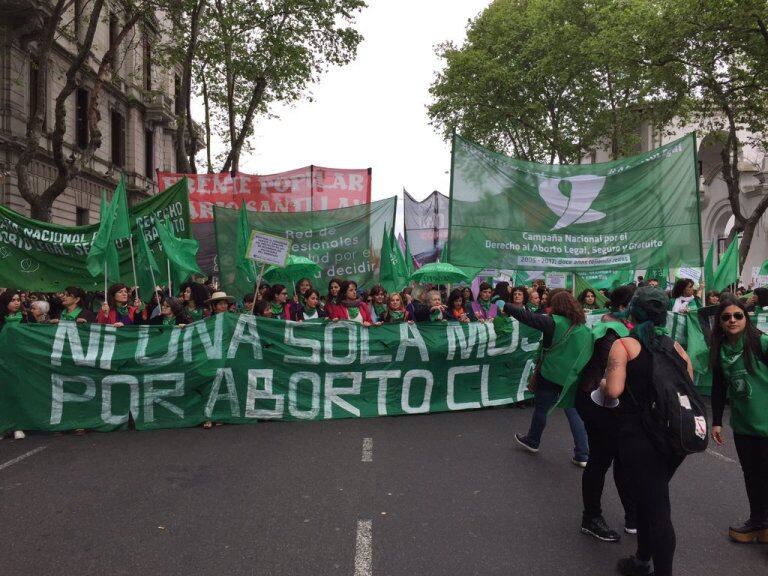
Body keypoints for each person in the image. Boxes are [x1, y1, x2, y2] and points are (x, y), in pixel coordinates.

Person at [602, 286, 693, 576]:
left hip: (640, 436)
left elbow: (613, 391)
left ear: (632, 312)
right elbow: (688, 388)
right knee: (647, 497)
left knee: (657, 508)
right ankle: (641, 559)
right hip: (674, 436)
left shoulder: (625, 345)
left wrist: (602, 383)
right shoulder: (676, 348)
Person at [575, 284, 637, 542]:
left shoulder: (623, 329)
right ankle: (591, 518)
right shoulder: (610, 333)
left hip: (614, 405)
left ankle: (632, 515)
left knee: (622, 459)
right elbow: (613, 375)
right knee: (601, 460)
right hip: (599, 404)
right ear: (623, 307)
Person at [507, 291, 592, 466]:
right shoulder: (583, 328)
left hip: (550, 373)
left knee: (541, 409)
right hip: (571, 377)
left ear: (555, 306)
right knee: (573, 412)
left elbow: (527, 317)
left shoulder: (552, 322)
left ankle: (533, 441)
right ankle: (583, 454)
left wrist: (506, 306)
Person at [710, 297, 768, 543]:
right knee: (752, 475)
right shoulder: (720, 350)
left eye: (737, 315)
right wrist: (716, 421)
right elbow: (718, 389)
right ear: (719, 322)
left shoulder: (761, 342)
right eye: (726, 317)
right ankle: (758, 521)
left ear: (746, 318)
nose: (732, 320)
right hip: (744, 425)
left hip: (767, 424)